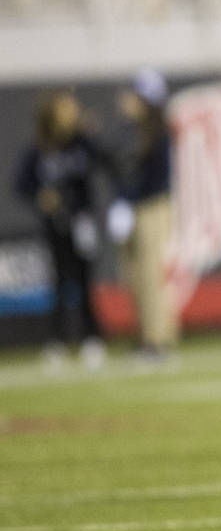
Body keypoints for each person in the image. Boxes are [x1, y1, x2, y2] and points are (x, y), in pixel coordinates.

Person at [13, 89, 109, 371]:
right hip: (55, 225)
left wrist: (90, 135)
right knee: (57, 282)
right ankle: (56, 341)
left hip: (81, 222)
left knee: (84, 280)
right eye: (66, 108)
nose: (73, 112)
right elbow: (21, 183)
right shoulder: (40, 147)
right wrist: (41, 197)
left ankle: (92, 338)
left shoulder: (80, 142)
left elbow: (104, 160)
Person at [108, 68, 177, 364]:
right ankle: (147, 335)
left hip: (151, 207)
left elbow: (153, 179)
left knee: (150, 276)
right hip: (133, 207)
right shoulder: (129, 131)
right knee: (133, 276)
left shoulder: (159, 133)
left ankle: (157, 340)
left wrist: (128, 200)